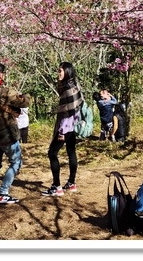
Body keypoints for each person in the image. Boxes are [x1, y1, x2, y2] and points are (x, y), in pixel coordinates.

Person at [0, 61, 31, 204]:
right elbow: (24, 102)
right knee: (16, 162)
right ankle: (3, 192)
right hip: (6, 132)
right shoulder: (5, 90)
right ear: (0, 74)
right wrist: (26, 95)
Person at [42, 61, 84, 197]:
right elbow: (78, 106)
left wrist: (61, 132)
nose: (58, 73)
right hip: (73, 126)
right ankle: (71, 183)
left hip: (65, 127)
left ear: (67, 72)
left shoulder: (68, 89)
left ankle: (56, 186)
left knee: (52, 153)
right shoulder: (75, 85)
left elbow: (67, 113)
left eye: (60, 71)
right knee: (71, 152)